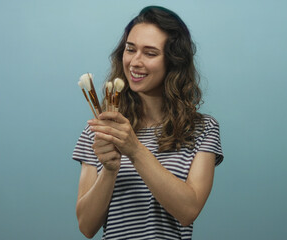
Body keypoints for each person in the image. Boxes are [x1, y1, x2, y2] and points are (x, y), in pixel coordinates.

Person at [72, 6, 223, 240]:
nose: (135, 62)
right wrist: (110, 170)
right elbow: (86, 226)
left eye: (150, 53)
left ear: (173, 62)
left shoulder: (203, 129)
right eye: (130, 49)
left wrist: (134, 150)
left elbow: (188, 211)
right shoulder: (99, 130)